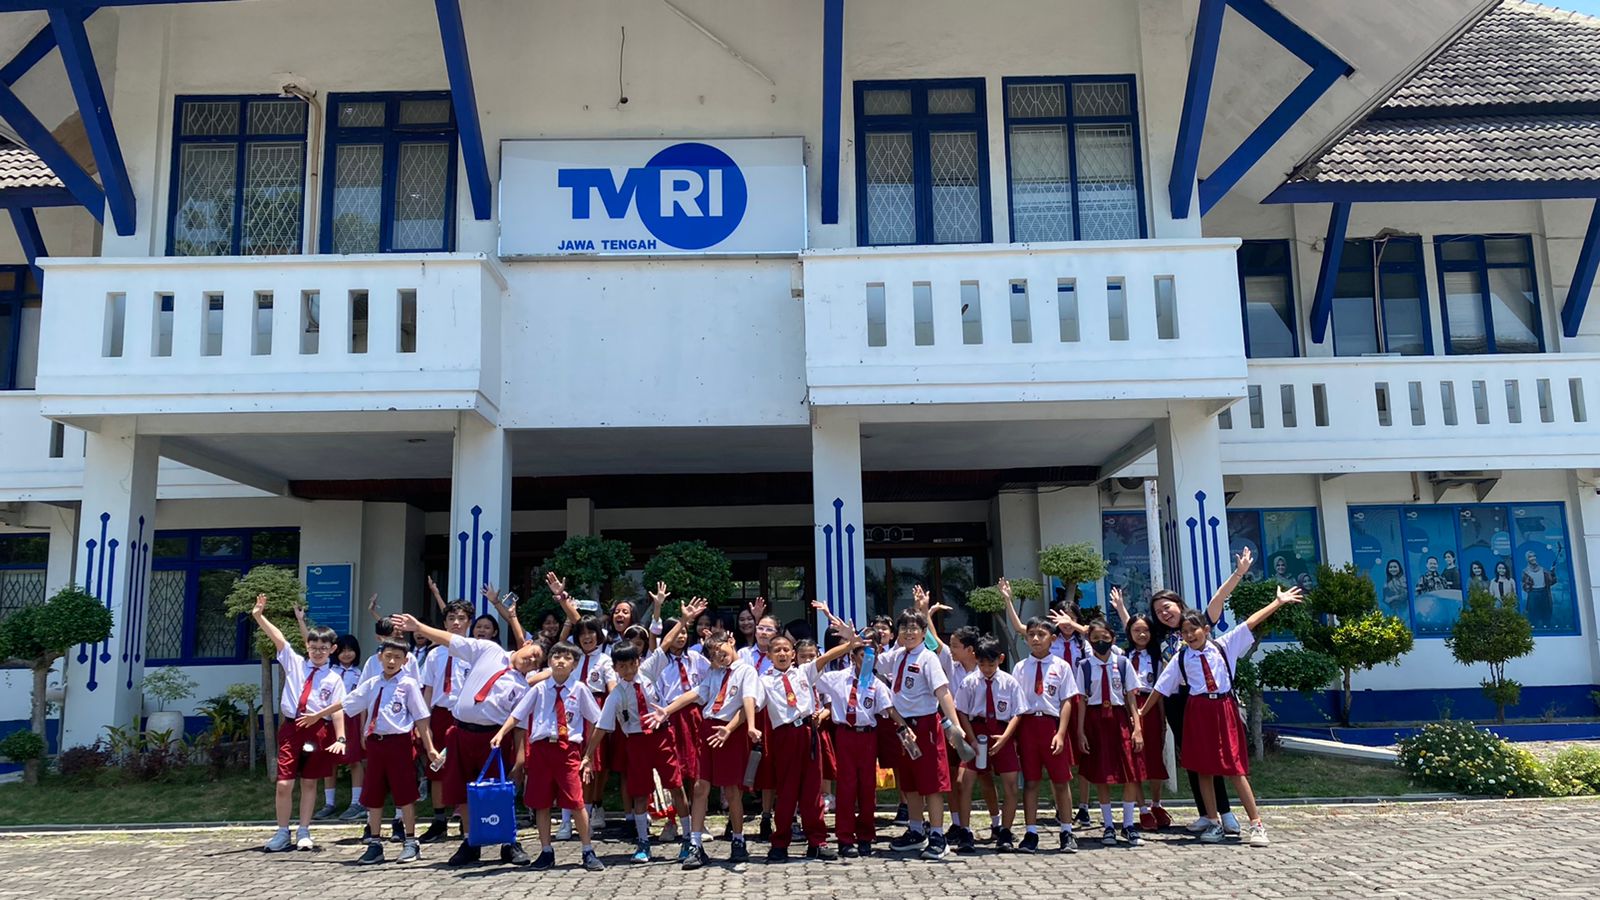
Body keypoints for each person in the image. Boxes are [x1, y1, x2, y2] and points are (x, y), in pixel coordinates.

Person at [392, 581, 545, 869]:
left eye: (538, 660)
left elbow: (521, 724)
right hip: (461, 734)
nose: (532, 659)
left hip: (493, 740)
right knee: (462, 792)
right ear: (524, 645)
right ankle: (471, 841)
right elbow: (453, 641)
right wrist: (420, 629)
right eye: (532, 652)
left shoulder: (523, 687)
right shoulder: (488, 650)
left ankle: (508, 842)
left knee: (499, 791)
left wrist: (521, 758)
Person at [1141, 584, 1305, 847]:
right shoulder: (1181, 658)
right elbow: (1160, 688)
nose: (1189, 635)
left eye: (1193, 630)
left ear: (1205, 629)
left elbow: (1250, 622)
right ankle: (1213, 821)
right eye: (1184, 633)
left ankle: (1256, 824)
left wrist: (1278, 602)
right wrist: (1140, 713)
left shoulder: (1224, 646)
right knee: (1203, 768)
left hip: (1223, 708)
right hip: (1197, 710)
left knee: (1235, 768)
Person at [1109, 548, 1252, 837]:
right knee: (1193, 757)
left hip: (1207, 699)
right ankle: (1206, 814)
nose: (1164, 612)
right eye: (1159, 610)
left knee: (1216, 757)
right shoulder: (1157, 636)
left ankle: (1226, 814)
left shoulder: (1197, 623)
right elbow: (1133, 629)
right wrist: (1120, 608)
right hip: (1176, 702)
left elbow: (1218, 600)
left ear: (1178, 603)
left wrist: (1239, 573)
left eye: (1168, 606)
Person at [319, 638, 441, 865]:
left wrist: (430, 748)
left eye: (397, 657)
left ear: (405, 660)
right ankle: (375, 843)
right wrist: (317, 715)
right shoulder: (373, 683)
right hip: (375, 744)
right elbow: (347, 702)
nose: (392, 661)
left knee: (404, 793)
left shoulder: (409, 684)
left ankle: (411, 842)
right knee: (373, 794)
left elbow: (421, 719)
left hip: (399, 744)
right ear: (379, 658)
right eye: (388, 656)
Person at [655, 628, 762, 870]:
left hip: (730, 732)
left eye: (721, 649)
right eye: (712, 653)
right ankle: (695, 846)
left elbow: (748, 702)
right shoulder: (714, 674)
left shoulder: (746, 671)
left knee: (732, 790)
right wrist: (667, 710)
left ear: (731, 641)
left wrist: (743, 728)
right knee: (699, 786)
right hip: (708, 729)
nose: (718, 656)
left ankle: (738, 840)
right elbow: (694, 694)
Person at [494, 640, 605, 872]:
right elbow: (518, 714)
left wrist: (588, 754)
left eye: (567, 657)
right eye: (556, 656)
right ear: (549, 661)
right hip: (542, 750)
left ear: (575, 664)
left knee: (576, 801)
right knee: (541, 803)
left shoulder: (580, 689)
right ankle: (546, 851)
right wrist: (502, 732)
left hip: (568, 751)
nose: (561, 661)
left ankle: (587, 850)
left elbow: (598, 721)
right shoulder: (539, 689)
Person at [756, 608, 856, 862]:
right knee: (787, 790)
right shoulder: (764, 680)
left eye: (786, 650)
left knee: (813, 789)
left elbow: (826, 657)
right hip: (784, 736)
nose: (781, 653)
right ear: (769, 655)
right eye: (776, 650)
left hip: (808, 733)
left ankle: (817, 841)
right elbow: (750, 703)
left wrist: (851, 643)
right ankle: (780, 842)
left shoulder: (803, 673)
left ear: (793, 655)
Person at [249, 594, 347, 853]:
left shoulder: (334, 679)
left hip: (318, 730)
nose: (317, 652)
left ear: (332, 650)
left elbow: (338, 710)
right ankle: (282, 831)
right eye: (313, 647)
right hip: (292, 727)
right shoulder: (295, 663)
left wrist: (340, 737)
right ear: (307, 646)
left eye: (323, 649)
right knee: (284, 782)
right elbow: (278, 638)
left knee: (310, 782)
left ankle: (304, 830)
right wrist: (259, 616)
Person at [587, 642, 689, 864]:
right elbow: (602, 727)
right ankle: (643, 842)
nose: (629, 670)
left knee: (675, 786)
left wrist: (682, 621)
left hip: (661, 736)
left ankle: (689, 839)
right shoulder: (615, 695)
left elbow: (667, 643)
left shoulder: (648, 672)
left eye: (632, 664)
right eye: (622, 666)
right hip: (635, 741)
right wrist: (587, 755)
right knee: (640, 793)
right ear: (615, 668)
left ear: (639, 662)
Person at [880, 609, 962, 861]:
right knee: (911, 782)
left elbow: (943, 692)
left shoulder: (928, 659)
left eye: (915, 628)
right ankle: (916, 829)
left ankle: (938, 834)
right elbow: (872, 660)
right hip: (904, 727)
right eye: (904, 628)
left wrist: (955, 725)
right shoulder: (896, 656)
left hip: (925, 726)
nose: (909, 632)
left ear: (924, 632)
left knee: (932, 784)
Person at [1005, 596, 1081, 854]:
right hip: (1027, 728)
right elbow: (1016, 703)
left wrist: (1061, 733)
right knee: (1032, 782)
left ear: (1053, 638)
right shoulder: (1020, 668)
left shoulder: (1061, 667)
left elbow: (1067, 702)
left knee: (1061, 781)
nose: (1036, 639)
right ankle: (1031, 832)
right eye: (1031, 635)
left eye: (1041, 634)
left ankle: (1067, 831)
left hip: (1051, 726)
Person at [816, 625, 893, 857]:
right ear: (853, 656)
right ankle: (845, 837)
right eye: (862, 654)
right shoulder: (837, 678)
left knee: (867, 788)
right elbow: (814, 671)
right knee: (847, 787)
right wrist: (846, 644)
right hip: (846, 734)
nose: (867, 659)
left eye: (872, 655)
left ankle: (866, 836)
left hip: (867, 736)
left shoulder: (876, 684)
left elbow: (887, 709)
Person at [642, 591, 709, 851]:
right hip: (668, 717)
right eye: (676, 633)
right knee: (673, 772)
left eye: (683, 632)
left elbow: (711, 680)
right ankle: (671, 819)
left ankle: (696, 820)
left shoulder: (696, 659)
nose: (680, 636)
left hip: (693, 717)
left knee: (695, 769)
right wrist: (658, 607)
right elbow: (656, 634)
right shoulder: (657, 662)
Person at [1075, 619, 1145, 847]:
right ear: (1089, 641)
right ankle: (1107, 826)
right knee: (1101, 773)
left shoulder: (1123, 663)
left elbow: (1131, 697)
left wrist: (1137, 728)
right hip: (1095, 721)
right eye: (1095, 639)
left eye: (1105, 638)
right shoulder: (1084, 666)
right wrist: (1080, 731)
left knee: (1130, 771)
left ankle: (1128, 824)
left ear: (1113, 639)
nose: (1100, 642)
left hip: (1119, 719)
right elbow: (1082, 701)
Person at [952, 635, 1021, 855]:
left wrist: (1005, 738)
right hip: (977, 731)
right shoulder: (970, 682)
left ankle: (1005, 832)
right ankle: (964, 831)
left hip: (1002, 732)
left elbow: (1018, 713)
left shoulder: (1009, 682)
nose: (986, 668)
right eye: (982, 664)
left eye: (991, 664)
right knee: (965, 781)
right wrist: (970, 738)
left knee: (1010, 784)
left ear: (1000, 659)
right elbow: (961, 710)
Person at [417, 597, 474, 843]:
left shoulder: (475, 651)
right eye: (451, 618)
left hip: (465, 716)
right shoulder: (434, 655)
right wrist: (424, 723)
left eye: (461, 618)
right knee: (436, 767)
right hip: (440, 714)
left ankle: (465, 820)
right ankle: (439, 820)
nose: (456, 623)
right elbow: (427, 690)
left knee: (465, 768)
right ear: (444, 623)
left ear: (469, 622)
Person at [1125, 614, 1170, 830]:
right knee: (1134, 760)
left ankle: (1156, 804)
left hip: (1151, 706)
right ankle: (1141, 809)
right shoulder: (1123, 656)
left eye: (1145, 630)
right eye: (1136, 631)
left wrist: (1161, 720)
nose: (1141, 634)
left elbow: (1160, 690)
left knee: (1154, 757)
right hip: (1129, 706)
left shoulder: (1156, 657)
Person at [327, 633, 366, 821]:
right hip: (330, 719)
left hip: (352, 718)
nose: (347, 654)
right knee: (330, 761)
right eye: (342, 651)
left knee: (354, 760)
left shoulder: (360, 674)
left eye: (350, 650)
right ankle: (329, 802)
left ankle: (356, 802)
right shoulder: (329, 671)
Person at [1522, 550, 1556, 627]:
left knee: (1546, 616)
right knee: (1533, 617)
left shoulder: (1543, 570)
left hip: (1544, 594)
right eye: (1530, 557)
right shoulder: (1525, 571)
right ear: (1527, 559)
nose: (1533, 558)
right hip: (1533, 594)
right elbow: (1525, 587)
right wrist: (1528, 584)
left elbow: (1552, 582)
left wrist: (1552, 573)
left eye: (1534, 556)